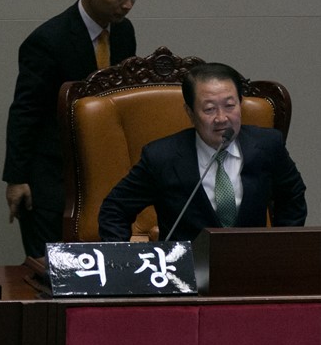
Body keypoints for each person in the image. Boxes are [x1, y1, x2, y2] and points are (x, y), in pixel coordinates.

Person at [3, 0, 144, 258]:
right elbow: (26, 112)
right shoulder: (48, 40)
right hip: (53, 177)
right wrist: (17, 178)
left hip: (104, 173)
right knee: (54, 266)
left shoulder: (124, 33)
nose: (127, 5)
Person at [99, 63, 307, 242]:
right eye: (209, 109)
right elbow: (114, 209)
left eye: (230, 106)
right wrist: (126, 263)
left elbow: (292, 197)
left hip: (250, 265)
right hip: (186, 269)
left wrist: (279, 249)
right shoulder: (162, 157)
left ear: (240, 104)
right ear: (190, 113)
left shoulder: (267, 145)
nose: (221, 118)